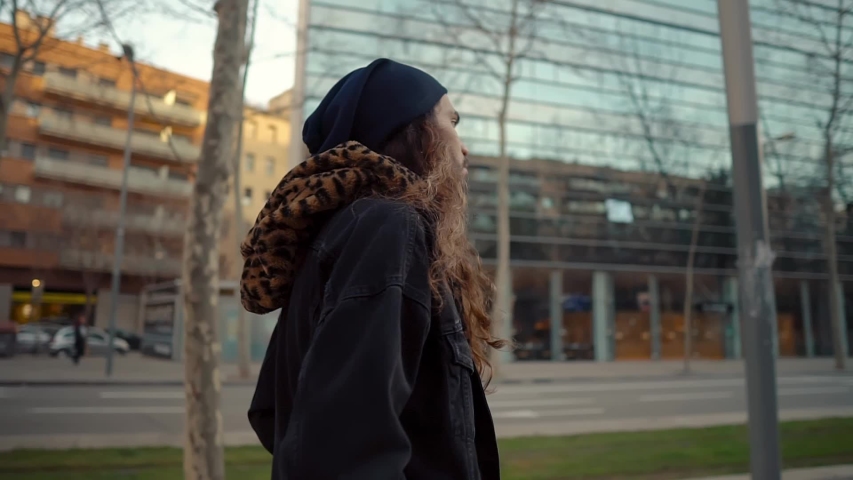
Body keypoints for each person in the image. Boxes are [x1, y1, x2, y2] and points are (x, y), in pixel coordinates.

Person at [241, 58, 505, 479]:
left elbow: (273, 414)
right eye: (451, 121)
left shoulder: (345, 234)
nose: (464, 145)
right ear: (412, 133)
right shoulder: (387, 228)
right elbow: (345, 450)